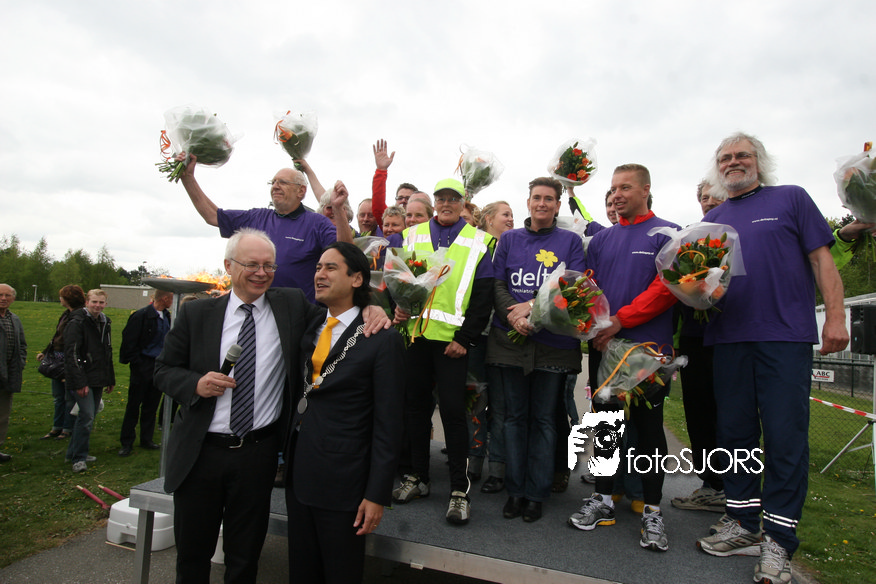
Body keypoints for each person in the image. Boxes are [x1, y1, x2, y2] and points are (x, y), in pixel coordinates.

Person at [155, 227, 389, 583]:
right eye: (252, 264)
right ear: (229, 266)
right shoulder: (197, 314)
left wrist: (371, 306)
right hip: (200, 454)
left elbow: (341, 314)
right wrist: (195, 384)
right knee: (192, 557)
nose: (261, 273)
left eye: (269, 265)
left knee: (245, 557)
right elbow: (163, 370)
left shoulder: (290, 306)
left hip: (257, 455)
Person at [695, 133, 849, 584]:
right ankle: (742, 522)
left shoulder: (791, 199)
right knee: (734, 435)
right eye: (725, 158)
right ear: (717, 168)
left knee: (785, 437)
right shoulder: (712, 220)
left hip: (784, 337)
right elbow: (702, 281)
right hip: (729, 339)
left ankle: (779, 540)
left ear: (759, 162)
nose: (733, 162)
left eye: (742, 155)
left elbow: (822, 260)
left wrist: (835, 317)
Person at [567, 164, 679, 552]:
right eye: (613, 188)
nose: (616, 195)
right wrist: (591, 323)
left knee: (649, 433)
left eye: (625, 187)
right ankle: (602, 498)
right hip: (605, 348)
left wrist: (620, 320)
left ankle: (652, 511)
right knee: (607, 427)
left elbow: (666, 288)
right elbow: (589, 288)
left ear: (646, 190)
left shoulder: (668, 233)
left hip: (648, 353)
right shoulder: (601, 239)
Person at [286, 242, 405, 584]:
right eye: (318, 267)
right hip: (300, 476)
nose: (319, 275)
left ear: (357, 279)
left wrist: (376, 494)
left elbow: (389, 423)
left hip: (345, 484)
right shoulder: (309, 324)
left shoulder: (381, 339)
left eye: (330, 268)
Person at [392, 178, 494, 526]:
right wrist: (398, 307)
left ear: (463, 203)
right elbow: (395, 278)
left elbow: (483, 296)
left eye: (453, 199)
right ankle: (418, 476)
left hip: (452, 343)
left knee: (453, 413)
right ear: (434, 202)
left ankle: (459, 490)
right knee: (416, 409)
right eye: (441, 198)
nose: (446, 203)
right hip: (416, 338)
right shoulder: (411, 235)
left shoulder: (480, 241)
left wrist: (465, 339)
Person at [486, 178, 586, 523]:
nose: (542, 203)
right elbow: (498, 283)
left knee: (544, 420)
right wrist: (513, 317)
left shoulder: (570, 241)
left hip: (552, 343)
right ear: (528, 202)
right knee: (514, 418)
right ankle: (515, 491)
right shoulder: (509, 239)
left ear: (557, 205)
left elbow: (573, 286)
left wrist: (531, 309)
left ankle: (536, 494)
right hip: (509, 341)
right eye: (537, 198)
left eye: (549, 199)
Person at [177, 156, 351, 302]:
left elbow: (346, 252)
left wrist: (338, 209)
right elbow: (212, 216)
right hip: (257, 313)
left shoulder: (317, 223)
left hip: (300, 317)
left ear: (301, 191)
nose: (275, 186)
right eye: (273, 182)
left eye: (282, 182)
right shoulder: (257, 217)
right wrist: (188, 178)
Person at [671, 180, 729, 514]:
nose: (709, 201)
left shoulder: (738, 240)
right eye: (704, 197)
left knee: (731, 415)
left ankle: (736, 486)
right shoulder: (691, 241)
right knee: (698, 413)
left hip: (730, 337)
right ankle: (710, 485)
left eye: (716, 195)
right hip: (694, 338)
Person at [468, 201, 515, 493]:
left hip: (503, 337)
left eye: (512, 215)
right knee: (475, 400)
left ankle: (498, 467)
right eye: (505, 214)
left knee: (500, 405)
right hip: (476, 335)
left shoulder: (514, 248)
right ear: (488, 219)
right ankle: (473, 460)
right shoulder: (475, 246)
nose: (511, 219)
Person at [64, 289, 115, 473]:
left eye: (101, 302)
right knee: (86, 416)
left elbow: (107, 351)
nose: (97, 306)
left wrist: (110, 378)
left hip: (98, 377)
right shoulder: (77, 322)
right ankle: (79, 458)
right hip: (81, 377)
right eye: (94, 302)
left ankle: (73, 452)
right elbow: (72, 353)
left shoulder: (104, 322)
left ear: (105, 304)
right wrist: (80, 382)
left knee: (88, 416)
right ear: (87, 302)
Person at [117, 289, 173, 456]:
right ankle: (127, 441)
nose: (172, 302)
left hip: (158, 366)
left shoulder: (166, 316)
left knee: (151, 405)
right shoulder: (141, 316)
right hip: (143, 364)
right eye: (171, 298)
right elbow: (129, 340)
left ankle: (146, 439)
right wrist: (137, 362)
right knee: (134, 405)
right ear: (165, 298)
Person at [37, 284, 85, 441]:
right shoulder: (66, 314)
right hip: (57, 357)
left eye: (62, 297)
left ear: (68, 299)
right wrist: (46, 352)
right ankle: (56, 427)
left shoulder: (79, 316)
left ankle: (67, 428)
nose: (60, 299)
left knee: (69, 396)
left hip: (68, 359)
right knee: (58, 396)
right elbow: (57, 335)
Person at [0, 284, 27, 463]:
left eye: (7, 295)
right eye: (0, 295)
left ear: (13, 298)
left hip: (8, 375)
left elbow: (22, 345)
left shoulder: (14, 319)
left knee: (2, 415)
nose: (3, 298)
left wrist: (20, 362)